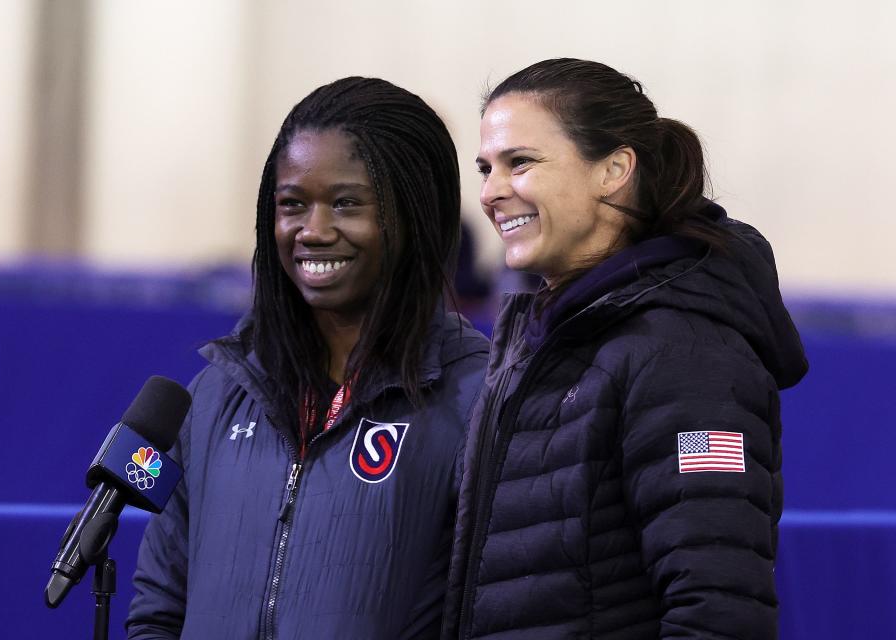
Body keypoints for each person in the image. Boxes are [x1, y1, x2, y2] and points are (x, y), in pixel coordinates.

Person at [443, 58, 808, 639]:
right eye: (486, 168)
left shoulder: (685, 352)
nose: (490, 193)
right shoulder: (538, 337)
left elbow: (718, 612)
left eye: (521, 163)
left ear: (614, 168)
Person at [127, 77, 489, 639]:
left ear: (413, 217)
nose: (313, 231)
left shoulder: (477, 397)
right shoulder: (219, 391)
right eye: (292, 204)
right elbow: (160, 603)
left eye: (346, 204)